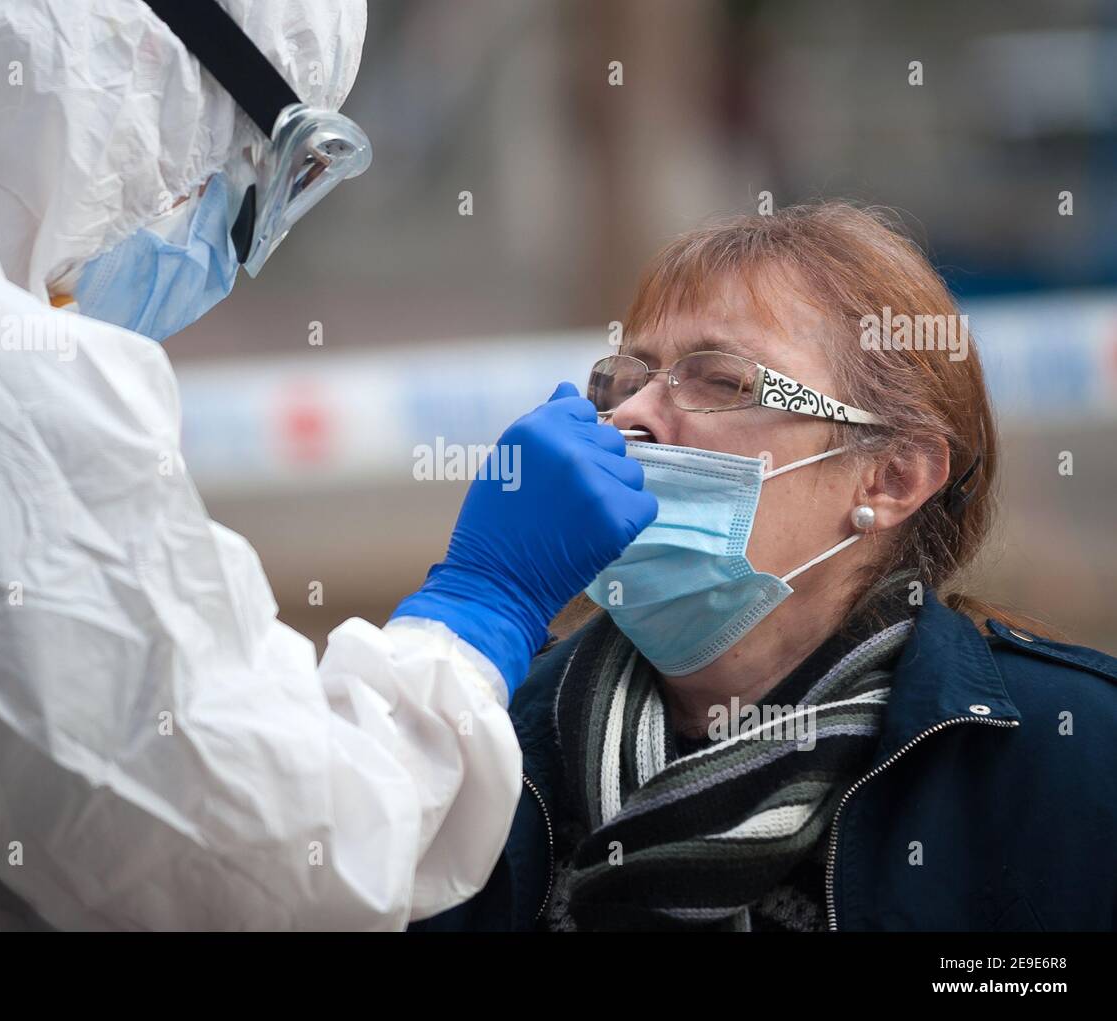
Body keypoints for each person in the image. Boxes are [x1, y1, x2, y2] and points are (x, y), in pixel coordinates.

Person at [0, 0, 656, 930]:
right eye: (263, 162)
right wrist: (478, 610)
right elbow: (276, 851)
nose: (226, 238)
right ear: (133, 69)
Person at [414, 202, 1117, 932]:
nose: (633, 417)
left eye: (718, 380)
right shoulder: (486, 736)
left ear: (893, 476)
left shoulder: (1075, 757)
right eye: (627, 381)